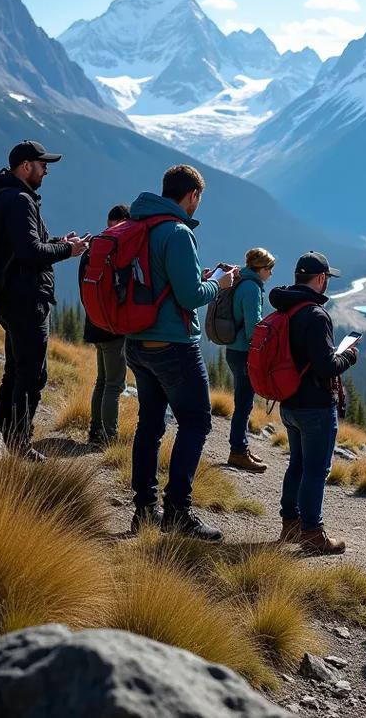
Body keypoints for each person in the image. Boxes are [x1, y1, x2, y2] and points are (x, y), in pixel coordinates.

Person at [126, 164, 238, 541]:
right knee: (196, 421)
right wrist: (218, 285)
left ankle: (144, 510)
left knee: (150, 425)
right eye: (198, 199)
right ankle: (177, 511)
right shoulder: (176, 232)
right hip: (172, 345)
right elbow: (190, 296)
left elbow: (163, 282)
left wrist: (200, 278)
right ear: (191, 196)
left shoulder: (141, 224)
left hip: (137, 342)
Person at [0, 140, 88, 460]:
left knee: (15, 371)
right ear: (26, 166)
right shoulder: (19, 201)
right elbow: (30, 253)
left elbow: (21, 247)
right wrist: (68, 250)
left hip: (8, 297)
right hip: (26, 298)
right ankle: (18, 444)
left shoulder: (3, 197)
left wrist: (58, 242)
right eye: (43, 165)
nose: (46, 171)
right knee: (32, 374)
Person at [269, 251, 359, 555]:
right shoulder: (316, 315)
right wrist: (348, 356)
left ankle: (290, 524)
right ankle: (312, 531)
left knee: (297, 464)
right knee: (316, 469)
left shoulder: (286, 308)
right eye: (326, 279)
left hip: (289, 402)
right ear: (320, 279)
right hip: (315, 406)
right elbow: (324, 366)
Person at [83, 203, 131, 448]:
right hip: (113, 328)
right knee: (114, 384)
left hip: (94, 324)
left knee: (102, 381)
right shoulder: (118, 251)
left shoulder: (93, 249)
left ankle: (94, 430)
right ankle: (108, 437)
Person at [224, 246, 276, 473]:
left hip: (233, 350)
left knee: (242, 402)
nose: (271, 274)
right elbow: (253, 329)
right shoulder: (252, 288)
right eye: (270, 269)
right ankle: (238, 452)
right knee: (244, 404)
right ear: (261, 269)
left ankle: (241, 448)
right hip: (244, 352)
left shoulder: (240, 280)